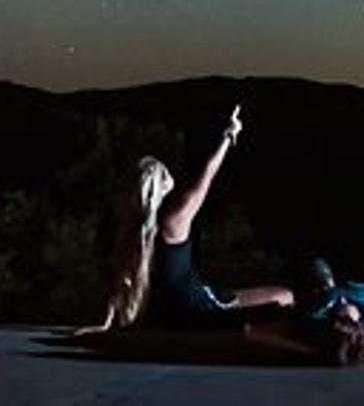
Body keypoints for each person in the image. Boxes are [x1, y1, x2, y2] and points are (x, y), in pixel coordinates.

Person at [91, 105, 294, 330]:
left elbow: (118, 283)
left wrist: (104, 325)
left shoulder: (129, 229)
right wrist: (228, 136)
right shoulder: (174, 218)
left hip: (167, 309)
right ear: (162, 187)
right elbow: (207, 175)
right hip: (196, 303)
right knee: (285, 295)